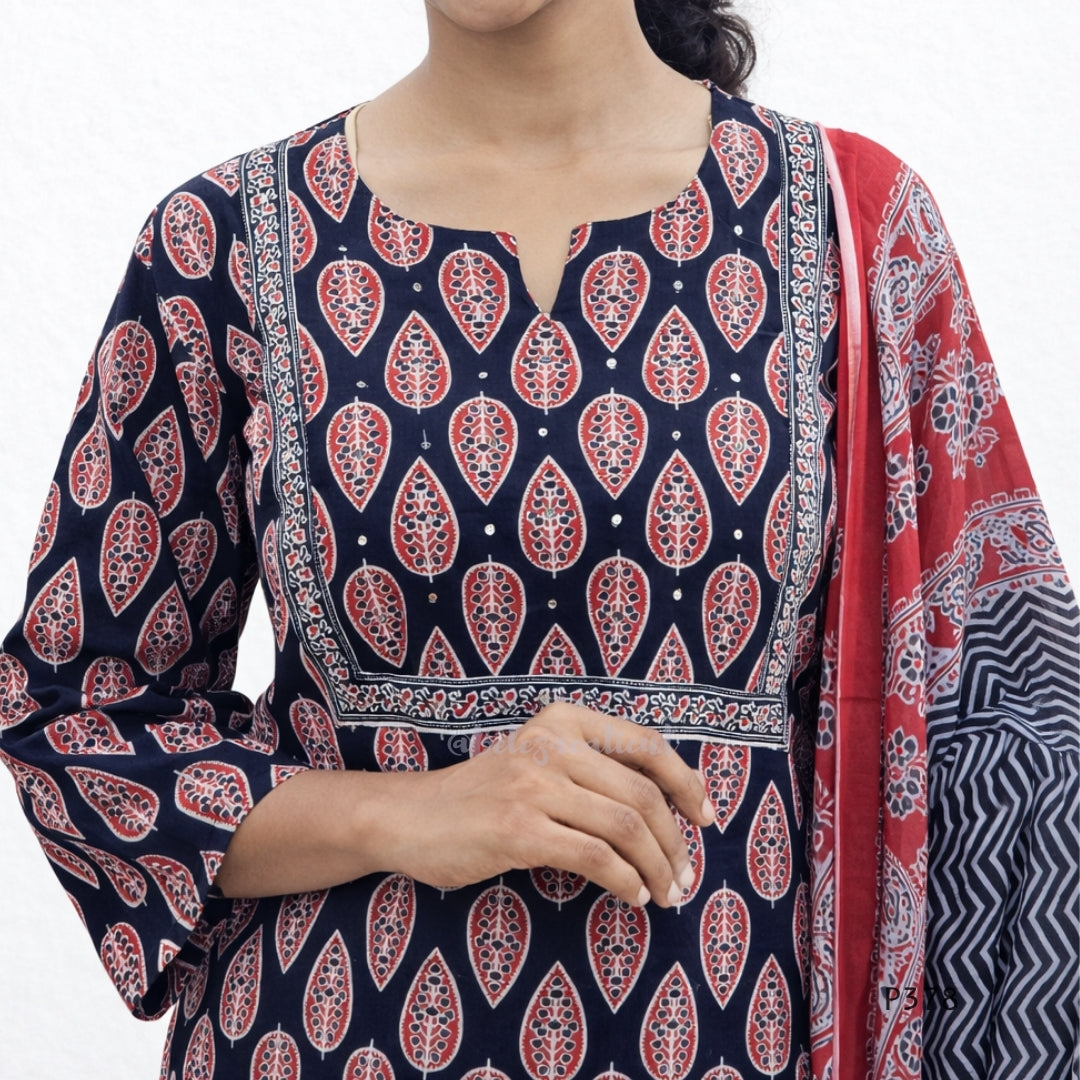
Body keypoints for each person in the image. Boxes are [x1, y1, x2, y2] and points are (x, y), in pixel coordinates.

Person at [0, 2, 1076, 1078]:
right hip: (329, 1039)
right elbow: (75, 719)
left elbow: (1009, 727)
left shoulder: (853, 227)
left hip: (728, 1036)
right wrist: (409, 814)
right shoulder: (223, 242)